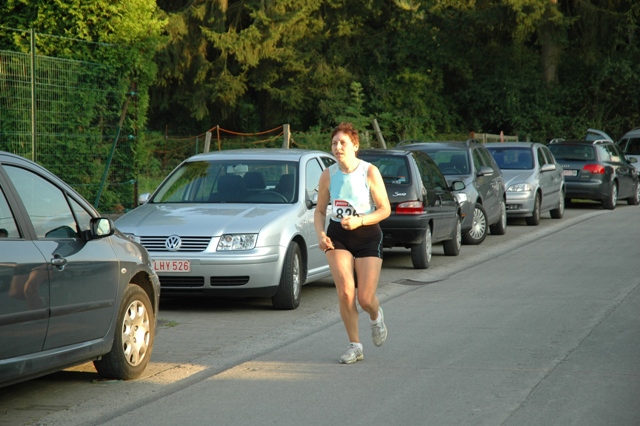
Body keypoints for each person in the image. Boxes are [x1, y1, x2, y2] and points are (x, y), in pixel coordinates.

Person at [314, 122, 391, 364]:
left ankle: (376, 317)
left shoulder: (369, 171)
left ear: (355, 146)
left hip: (367, 234)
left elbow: (385, 209)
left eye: (343, 143)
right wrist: (320, 234)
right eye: (334, 143)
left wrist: (360, 221)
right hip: (338, 235)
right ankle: (355, 345)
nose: (338, 147)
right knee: (346, 292)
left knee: (365, 298)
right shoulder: (328, 174)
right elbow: (319, 212)